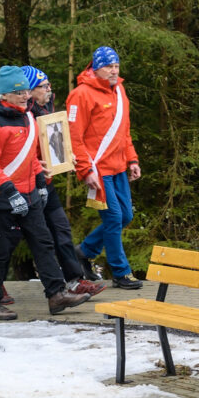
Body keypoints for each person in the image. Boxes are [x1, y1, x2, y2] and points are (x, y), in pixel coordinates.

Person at [0, 66, 92, 320]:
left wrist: (41, 185)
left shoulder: (28, 116)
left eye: (26, 91)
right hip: (1, 197)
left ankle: (56, 294)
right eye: (19, 92)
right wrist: (10, 193)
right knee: (1, 251)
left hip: (29, 193)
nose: (25, 96)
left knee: (43, 243)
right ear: (5, 94)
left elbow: (31, 156)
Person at [21, 66, 106, 299]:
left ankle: (75, 280)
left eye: (49, 85)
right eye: (43, 86)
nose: (49, 90)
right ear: (29, 90)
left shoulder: (46, 107)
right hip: (23, 186)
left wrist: (63, 156)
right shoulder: (22, 115)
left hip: (45, 182)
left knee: (62, 230)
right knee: (11, 241)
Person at [66, 46, 143, 289]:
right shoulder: (81, 94)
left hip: (119, 166)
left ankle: (85, 250)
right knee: (113, 218)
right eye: (108, 66)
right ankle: (121, 272)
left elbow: (124, 131)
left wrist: (132, 159)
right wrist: (85, 170)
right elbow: (74, 137)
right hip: (98, 169)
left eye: (116, 66)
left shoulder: (119, 90)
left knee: (126, 216)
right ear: (96, 67)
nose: (113, 70)